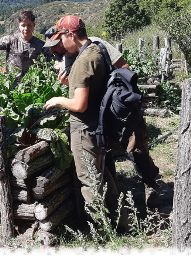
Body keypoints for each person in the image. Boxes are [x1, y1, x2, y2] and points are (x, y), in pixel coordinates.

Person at [44, 24, 161, 209]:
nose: (54, 50)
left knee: (135, 145)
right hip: (97, 116)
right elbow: (80, 89)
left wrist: (109, 93)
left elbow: (124, 69)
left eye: (56, 44)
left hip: (118, 108)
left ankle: (149, 183)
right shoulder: (68, 57)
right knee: (103, 154)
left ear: (68, 37)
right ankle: (114, 205)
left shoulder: (97, 44)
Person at [43, 15, 124, 228]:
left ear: (71, 35)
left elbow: (79, 105)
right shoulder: (97, 51)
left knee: (89, 181)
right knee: (103, 176)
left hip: (84, 129)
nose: (61, 44)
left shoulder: (82, 61)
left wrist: (59, 99)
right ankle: (122, 221)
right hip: (98, 124)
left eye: (62, 38)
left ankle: (98, 231)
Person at [0, 10, 49, 81]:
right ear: (19, 26)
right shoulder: (11, 39)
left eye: (29, 25)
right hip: (11, 84)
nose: (26, 28)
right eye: (23, 25)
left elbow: (53, 58)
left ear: (34, 25)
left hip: (33, 86)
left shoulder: (40, 44)